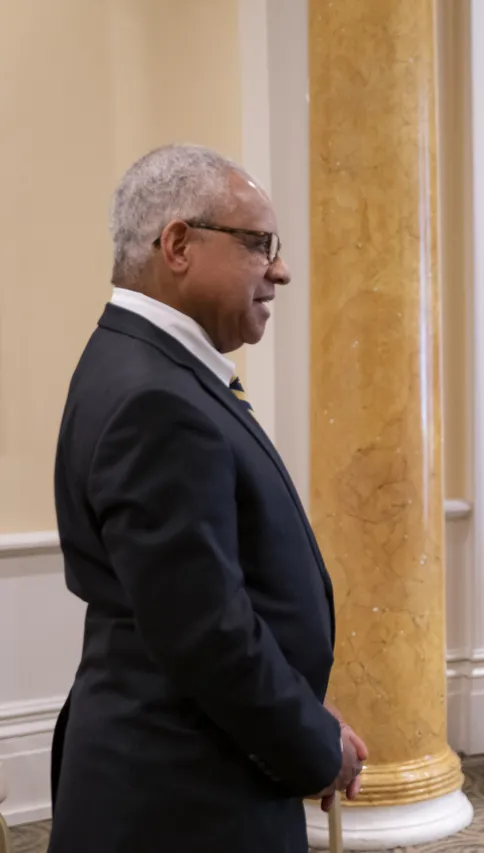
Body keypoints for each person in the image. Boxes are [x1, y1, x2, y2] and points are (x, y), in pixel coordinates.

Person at [48, 144, 367, 853]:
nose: (279, 268)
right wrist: (315, 743)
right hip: (185, 792)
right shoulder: (156, 397)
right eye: (259, 245)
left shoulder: (139, 362)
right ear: (179, 244)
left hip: (194, 755)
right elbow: (208, 635)